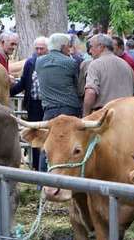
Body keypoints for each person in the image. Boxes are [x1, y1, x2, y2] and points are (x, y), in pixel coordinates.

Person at [13, 36, 47, 169]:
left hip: (47, 105)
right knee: (35, 135)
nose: (39, 51)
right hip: (33, 104)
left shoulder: (51, 63)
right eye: (37, 48)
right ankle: (36, 166)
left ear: (48, 49)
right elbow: (23, 82)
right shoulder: (30, 62)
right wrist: (9, 91)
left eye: (42, 49)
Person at [83, 34, 134, 115]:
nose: (90, 51)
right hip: (126, 115)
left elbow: (90, 92)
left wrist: (85, 115)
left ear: (101, 46)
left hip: (104, 117)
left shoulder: (95, 65)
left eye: (91, 47)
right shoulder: (126, 65)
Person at [36, 33, 82, 121]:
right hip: (69, 108)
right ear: (62, 47)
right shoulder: (71, 62)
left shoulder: (39, 61)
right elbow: (77, 86)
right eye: (68, 46)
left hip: (49, 109)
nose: (69, 49)